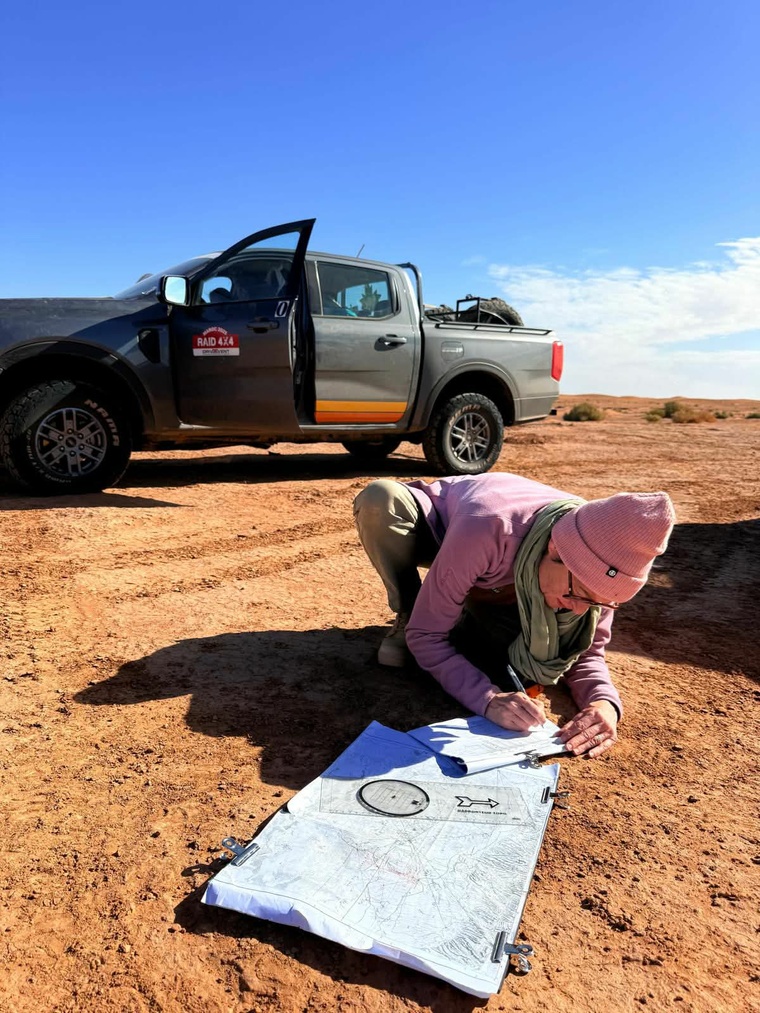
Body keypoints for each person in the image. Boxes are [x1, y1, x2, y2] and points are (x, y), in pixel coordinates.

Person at [353, 473, 676, 759]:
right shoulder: (489, 525)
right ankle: (414, 608)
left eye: (598, 604)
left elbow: (587, 652)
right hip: (446, 535)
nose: (578, 610)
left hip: (499, 573)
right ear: (554, 550)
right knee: (381, 498)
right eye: (576, 595)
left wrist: (604, 704)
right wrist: (488, 699)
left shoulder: (595, 571)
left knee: (501, 655)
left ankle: (462, 605)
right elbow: (426, 637)